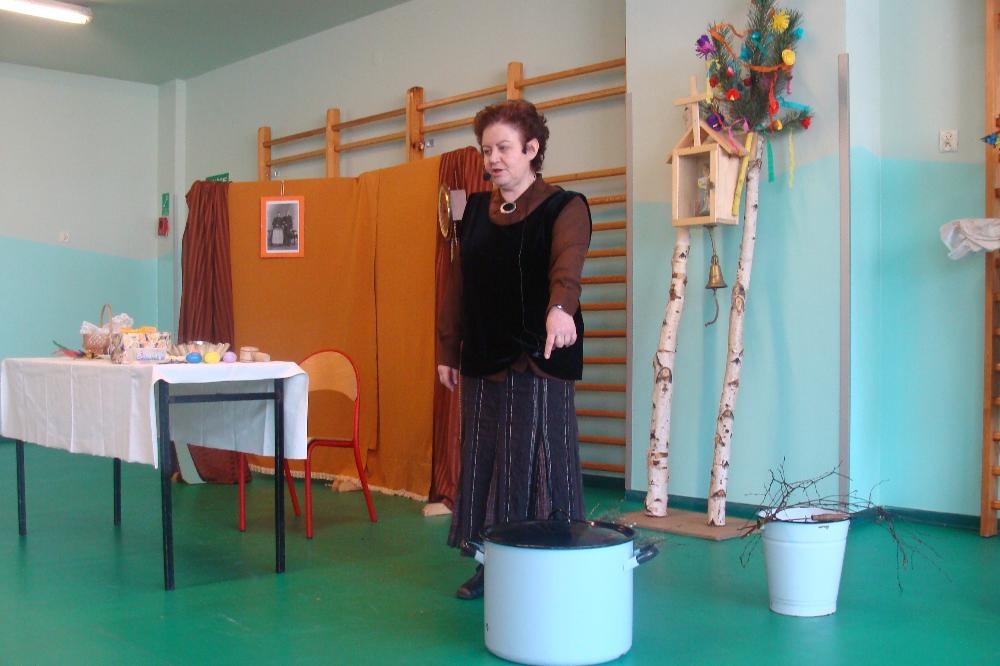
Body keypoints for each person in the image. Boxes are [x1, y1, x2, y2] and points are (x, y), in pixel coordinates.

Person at [436, 99, 592, 599]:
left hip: (537, 358)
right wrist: (448, 349)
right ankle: (492, 565)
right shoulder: (474, 212)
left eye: (504, 148)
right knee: (485, 463)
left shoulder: (565, 207)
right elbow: (458, 284)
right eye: (487, 150)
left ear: (531, 149)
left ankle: (553, 565)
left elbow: (567, 264)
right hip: (483, 358)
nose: (494, 159)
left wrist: (560, 309)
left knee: (541, 463)